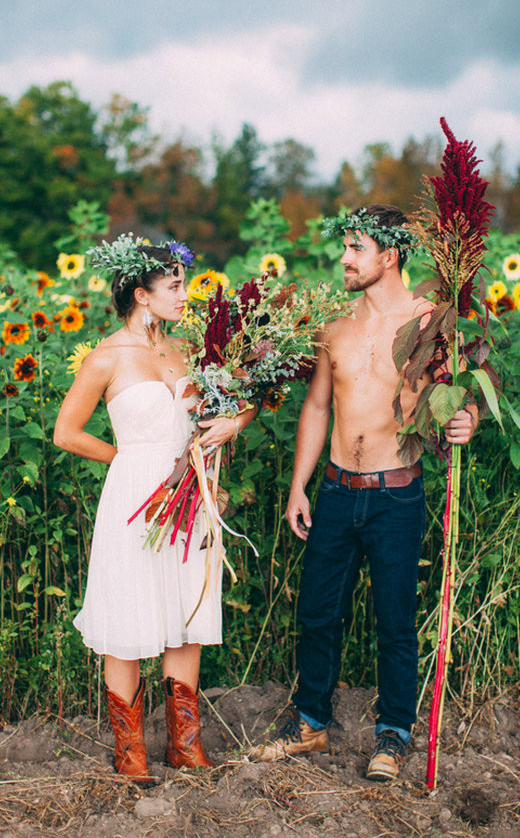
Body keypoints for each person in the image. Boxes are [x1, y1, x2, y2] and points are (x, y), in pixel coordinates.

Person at [252, 205, 477, 781]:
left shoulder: (431, 320)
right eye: (345, 247)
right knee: (318, 613)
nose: (345, 258)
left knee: (395, 619)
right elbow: (318, 405)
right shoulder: (336, 322)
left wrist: (467, 417)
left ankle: (394, 735)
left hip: (396, 494)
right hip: (335, 490)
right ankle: (311, 725)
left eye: (356, 248)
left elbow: (457, 391)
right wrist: (299, 486)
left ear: (389, 255)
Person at [54, 236, 253, 784]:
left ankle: (185, 745)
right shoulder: (107, 357)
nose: (186, 294)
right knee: (129, 614)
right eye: (174, 286)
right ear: (141, 295)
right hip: (137, 496)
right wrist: (128, 461)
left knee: (185, 612)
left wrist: (235, 422)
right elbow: (66, 433)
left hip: (191, 490)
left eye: (183, 284)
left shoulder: (189, 351)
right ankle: (131, 753)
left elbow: (239, 401)